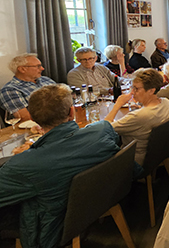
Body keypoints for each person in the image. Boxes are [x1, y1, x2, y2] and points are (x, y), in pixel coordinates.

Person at [0, 84, 120, 248]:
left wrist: (29, 154)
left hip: (53, 227)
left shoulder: (22, 165)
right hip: (98, 202)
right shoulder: (102, 131)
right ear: (72, 112)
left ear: (33, 119)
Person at [105, 68, 169, 166]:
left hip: (135, 160)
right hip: (159, 153)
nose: (132, 92)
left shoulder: (139, 116)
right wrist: (141, 106)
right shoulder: (167, 102)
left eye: (136, 89)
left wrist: (117, 105)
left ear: (151, 90)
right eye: (132, 87)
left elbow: (104, 129)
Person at [0, 53, 55, 121]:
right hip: (41, 124)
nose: (42, 68)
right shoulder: (10, 90)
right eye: (38, 66)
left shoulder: (45, 80)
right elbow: (25, 118)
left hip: (61, 119)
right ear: (22, 69)